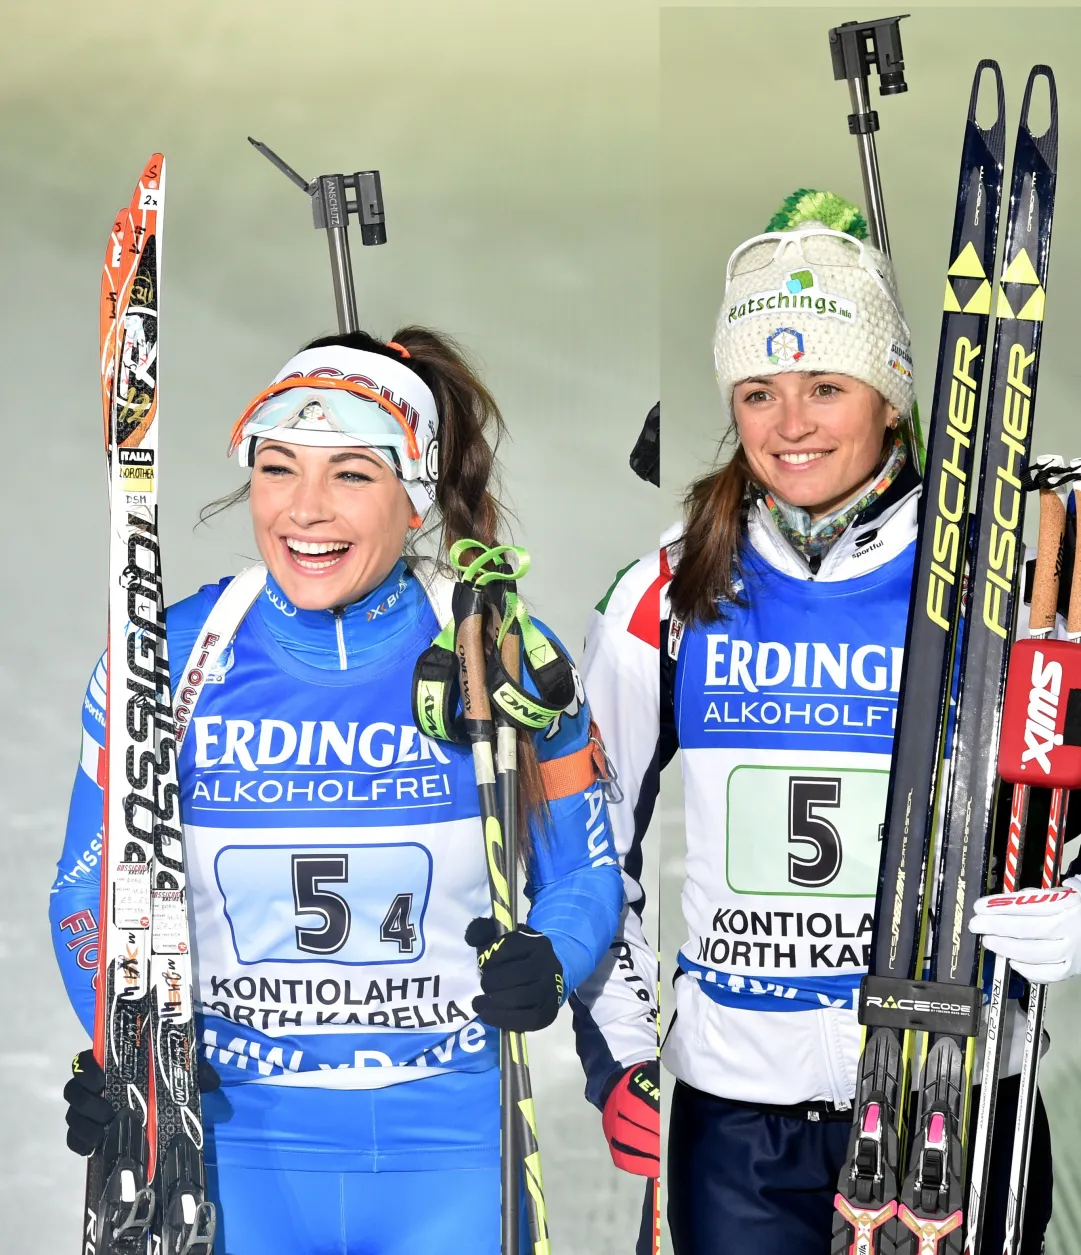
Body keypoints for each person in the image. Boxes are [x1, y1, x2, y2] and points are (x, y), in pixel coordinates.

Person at [50, 327, 624, 1255]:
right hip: (235, 1141)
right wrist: (128, 1053)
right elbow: (87, 888)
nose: (304, 511)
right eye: (277, 469)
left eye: (353, 474)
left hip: (454, 1145)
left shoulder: (501, 652)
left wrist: (549, 957)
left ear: (419, 495)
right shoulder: (168, 660)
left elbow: (585, 870)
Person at [573, 189, 1070, 1255]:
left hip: (952, 1094)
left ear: (890, 395)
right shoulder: (666, 590)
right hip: (729, 1118)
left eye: (825, 386)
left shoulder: (1000, 584)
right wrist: (618, 1047)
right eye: (757, 390)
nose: (790, 423)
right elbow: (583, 831)